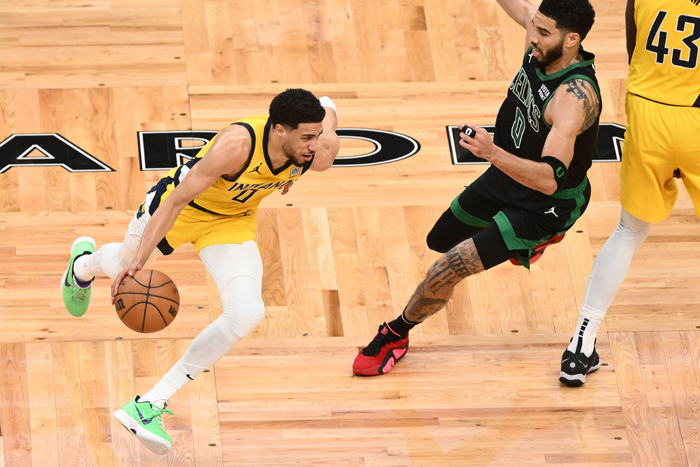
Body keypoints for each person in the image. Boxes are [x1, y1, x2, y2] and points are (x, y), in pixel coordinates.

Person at [60, 88, 340, 454]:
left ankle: (149, 404)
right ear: (279, 130)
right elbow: (176, 200)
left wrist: (326, 111)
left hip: (232, 222)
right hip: (180, 209)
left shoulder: (316, 152)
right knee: (122, 266)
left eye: (317, 135)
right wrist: (139, 261)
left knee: (247, 312)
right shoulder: (237, 145)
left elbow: (328, 119)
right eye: (305, 138)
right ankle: (82, 266)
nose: (313, 146)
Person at [353, 0, 600, 376]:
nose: (532, 36)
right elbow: (521, 10)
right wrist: (498, 158)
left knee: (447, 267)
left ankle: (395, 334)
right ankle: (519, 243)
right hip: (508, 173)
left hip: (545, 204)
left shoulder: (573, 98)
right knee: (440, 239)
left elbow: (550, 179)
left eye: (543, 32)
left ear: (572, 40)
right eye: (534, 26)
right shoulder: (542, 41)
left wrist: (491, 152)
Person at [559, 0, 700, 386]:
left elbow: (633, 43)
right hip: (695, 116)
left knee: (629, 231)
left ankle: (580, 347)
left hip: (646, 112)